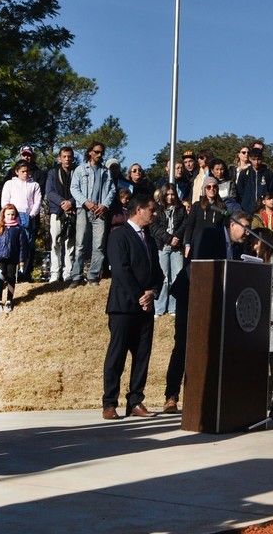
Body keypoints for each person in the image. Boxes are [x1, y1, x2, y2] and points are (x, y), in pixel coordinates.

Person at [101, 193, 163, 420]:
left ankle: (135, 400)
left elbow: (158, 272)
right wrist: (140, 296)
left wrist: (153, 292)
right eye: (152, 210)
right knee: (117, 355)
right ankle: (109, 403)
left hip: (145, 309)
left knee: (142, 356)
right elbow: (121, 270)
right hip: (123, 307)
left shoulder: (150, 239)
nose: (154, 214)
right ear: (139, 210)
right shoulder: (119, 235)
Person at [69, 141, 114, 287]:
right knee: (80, 243)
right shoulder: (80, 169)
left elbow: (112, 190)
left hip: (100, 211)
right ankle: (76, 276)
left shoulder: (106, 171)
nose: (99, 155)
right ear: (90, 152)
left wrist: (105, 205)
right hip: (84, 209)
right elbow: (74, 188)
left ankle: (93, 276)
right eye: (96, 152)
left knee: (99, 245)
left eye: (101, 152)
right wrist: (85, 202)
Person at [0, 160, 41, 281]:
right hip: (12, 217)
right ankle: (9, 274)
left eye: (27, 171)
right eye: (23, 171)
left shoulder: (34, 185)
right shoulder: (9, 184)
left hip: (28, 217)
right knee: (12, 244)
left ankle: (23, 273)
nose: (25, 173)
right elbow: (5, 201)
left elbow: (37, 202)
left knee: (26, 245)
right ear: (17, 171)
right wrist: (10, 215)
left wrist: (31, 215)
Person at [150, 184, 186, 319]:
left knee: (177, 276)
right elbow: (154, 227)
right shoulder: (157, 208)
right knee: (163, 277)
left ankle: (173, 307)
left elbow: (185, 224)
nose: (170, 197)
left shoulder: (181, 208)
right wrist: (168, 238)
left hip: (177, 247)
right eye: (168, 195)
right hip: (162, 246)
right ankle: (159, 308)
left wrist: (176, 238)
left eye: (172, 194)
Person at [43, 146, 76, 286]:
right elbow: (49, 192)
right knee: (55, 242)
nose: (67, 159)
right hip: (57, 211)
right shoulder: (52, 172)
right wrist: (63, 203)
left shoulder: (77, 172)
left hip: (73, 211)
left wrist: (71, 202)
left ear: (72, 158)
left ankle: (68, 272)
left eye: (69, 156)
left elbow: (81, 191)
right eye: (64, 156)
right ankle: (55, 273)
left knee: (70, 242)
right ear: (60, 158)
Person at [0, 204, 28, 313]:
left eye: (13, 214)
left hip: (12, 258)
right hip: (0, 257)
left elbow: (23, 246)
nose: (10, 216)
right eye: (8, 214)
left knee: (11, 278)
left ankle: (9, 300)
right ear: (3, 214)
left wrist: (22, 260)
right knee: (0, 278)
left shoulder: (19, 229)